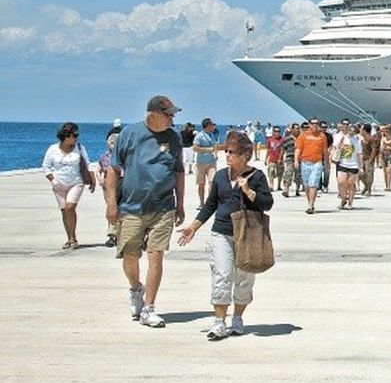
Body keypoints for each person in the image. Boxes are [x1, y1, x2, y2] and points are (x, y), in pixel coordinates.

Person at [176, 130, 273, 341]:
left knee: (244, 277)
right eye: (226, 151)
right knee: (222, 275)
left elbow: (267, 204)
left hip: (247, 235)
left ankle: (237, 318)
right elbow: (210, 204)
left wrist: (249, 191)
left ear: (244, 155)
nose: (227, 155)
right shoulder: (220, 176)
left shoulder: (257, 176)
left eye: (232, 152)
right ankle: (219, 322)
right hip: (222, 232)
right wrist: (194, 227)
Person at [106, 95, 186, 328]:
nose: (172, 119)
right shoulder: (129, 134)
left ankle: (149, 308)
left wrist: (180, 204)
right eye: (169, 114)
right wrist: (111, 204)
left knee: (156, 254)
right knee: (130, 255)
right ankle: (136, 289)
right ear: (154, 115)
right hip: (131, 206)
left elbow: (179, 171)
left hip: (163, 206)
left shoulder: (174, 137)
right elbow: (113, 170)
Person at [41, 121, 95, 249]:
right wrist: (53, 181)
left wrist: (93, 180)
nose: (76, 138)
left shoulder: (79, 148)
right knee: (64, 211)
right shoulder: (53, 149)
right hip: (58, 184)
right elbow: (46, 166)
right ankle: (70, 238)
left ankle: (73, 238)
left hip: (76, 182)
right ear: (65, 136)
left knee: (70, 207)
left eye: (77, 135)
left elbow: (88, 164)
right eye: (74, 135)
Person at [295, 117, 328, 215]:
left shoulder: (322, 136)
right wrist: (296, 160)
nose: (315, 125)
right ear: (309, 124)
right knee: (306, 184)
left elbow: (325, 151)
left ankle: (310, 205)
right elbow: (298, 149)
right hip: (305, 162)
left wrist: (327, 163)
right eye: (313, 123)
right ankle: (310, 202)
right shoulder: (303, 135)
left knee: (313, 183)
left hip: (317, 163)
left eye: (316, 123)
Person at [331, 119, 362, 210]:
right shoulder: (342, 138)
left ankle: (350, 203)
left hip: (353, 165)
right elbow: (335, 148)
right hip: (342, 163)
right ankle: (343, 198)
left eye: (354, 131)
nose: (352, 132)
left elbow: (359, 154)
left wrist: (361, 167)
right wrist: (334, 155)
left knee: (351, 184)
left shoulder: (357, 141)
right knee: (341, 183)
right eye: (350, 130)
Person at [192, 118, 223, 209]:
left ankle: (210, 203)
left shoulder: (212, 135)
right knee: (201, 184)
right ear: (208, 125)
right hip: (201, 163)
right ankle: (202, 203)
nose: (213, 126)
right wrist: (207, 149)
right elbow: (194, 148)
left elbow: (215, 146)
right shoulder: (199, 136)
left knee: (212, 182)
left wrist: (216, 153)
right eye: (212, 124)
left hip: (212, 163)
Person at [97, 132, 120, 247]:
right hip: (108, 186)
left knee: (121, 208)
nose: (113, 145)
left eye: (115, 143)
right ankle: (113, 235)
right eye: (111, 143)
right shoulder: (105, 156)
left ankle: (115, 234)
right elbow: (98, 169)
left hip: (122, 184)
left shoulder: (125, 156)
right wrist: (100, 178)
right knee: (111, 207)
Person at [358, 123, 379, 197]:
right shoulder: (361, 139)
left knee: (369, 175)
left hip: (368, 159)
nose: (360, 130)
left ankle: (369, 190)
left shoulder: (371, 138)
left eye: (361, 129)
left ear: (364, 130)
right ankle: (366, 186)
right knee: (360, 175)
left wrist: (370, 160)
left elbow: (374, 150)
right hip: (361, 159)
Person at [281, 123, 299, 197]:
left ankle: (297, 190)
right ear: (292, 129)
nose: (298, 130)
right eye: (296, 128)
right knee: (288, 173)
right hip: (290, 158)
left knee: (298, 175)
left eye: (298, 128)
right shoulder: (287, 139)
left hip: (299, 159)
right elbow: (283, 148)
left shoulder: (301, 138)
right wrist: (280, 158)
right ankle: (286, 189)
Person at [265, 126, 284, 191]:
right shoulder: (270, 140)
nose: (277, 133)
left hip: (279, 159)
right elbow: (268, 150)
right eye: (276, 131)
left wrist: (280, 158)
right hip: (271, 159)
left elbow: (282, 150)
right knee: (271, 172)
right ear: (273, 132)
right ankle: (271, 186)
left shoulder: (282, 139)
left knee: (280, 173)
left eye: (278, 131)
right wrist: (266, 158)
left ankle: (279, 186)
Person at [379, 124, 391, 191]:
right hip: (384, 156)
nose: (386, 133)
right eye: (385, 131)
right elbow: (381, 148)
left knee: (389, 170)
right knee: (385, 171)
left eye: (387, 131)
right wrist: (382, 148)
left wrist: (390, 148)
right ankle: (386, 185)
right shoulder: (383, 139)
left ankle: (389, 186)